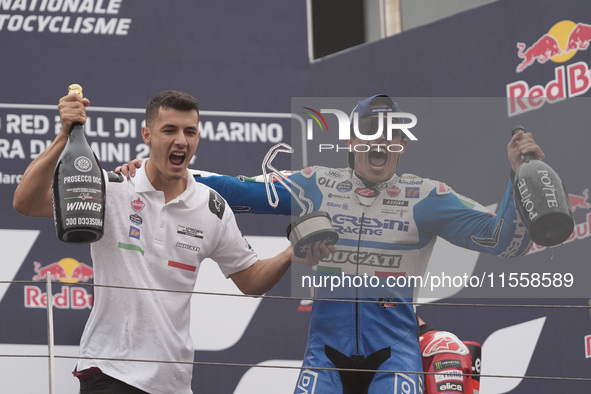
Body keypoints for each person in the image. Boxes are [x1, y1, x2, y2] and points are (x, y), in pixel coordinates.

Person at [118, 95, 543, 394]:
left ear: (401, 144)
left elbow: (504, 241)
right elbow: (239, 190)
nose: (378, 141)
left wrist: (519, 178)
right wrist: (155, 170)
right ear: (350, 142)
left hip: (395, 356)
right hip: (325, 355)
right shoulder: (316, 185)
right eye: (368, 132)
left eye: (389, 134)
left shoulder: (427, 196)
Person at [12, 89, 332, 394]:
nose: (181, 140)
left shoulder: (211, 207)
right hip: (109, 371)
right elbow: (26, 202)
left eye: (189, 132)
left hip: (173, 382)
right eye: (169, 130)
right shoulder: (114, 188)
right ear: (147, 136)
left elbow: (250, 281)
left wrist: (292, 253)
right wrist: (65, 136)